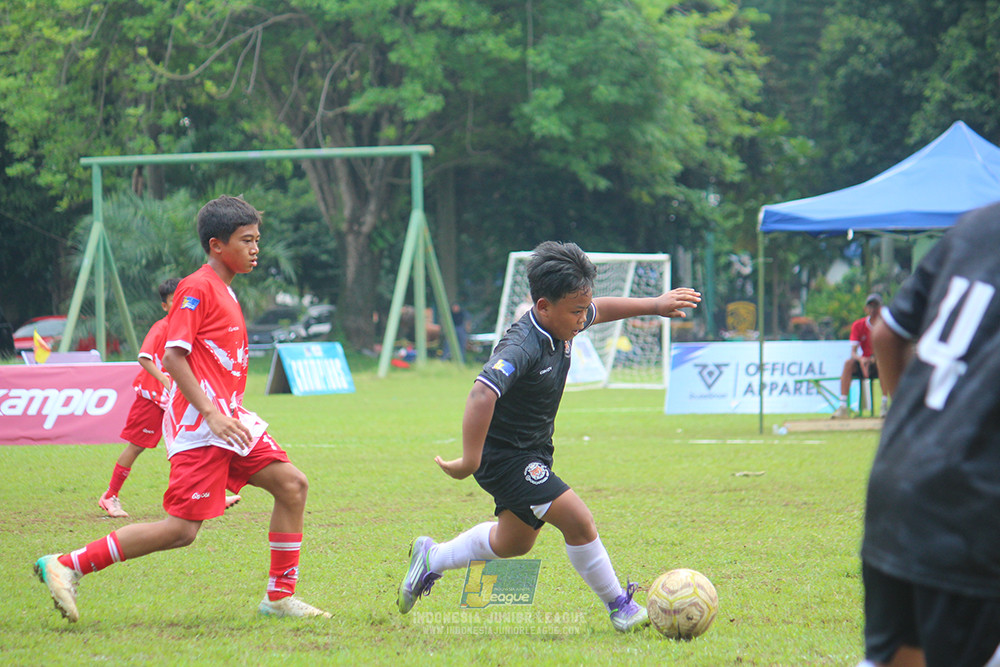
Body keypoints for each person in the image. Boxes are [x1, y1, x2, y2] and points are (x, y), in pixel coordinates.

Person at [34, 195, 329, 622]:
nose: (255, 248)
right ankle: (68, 563)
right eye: (246, 240)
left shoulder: (224, 290)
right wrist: (210, 412)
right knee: (180, 531)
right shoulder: (197, 288)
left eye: (257, 239)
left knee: (292, 486)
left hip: (230, 421)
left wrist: (222, 412)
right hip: (203, 425)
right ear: (216, 244)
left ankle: (278, 598)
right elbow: (173, 357)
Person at [396, 241, 700, 632]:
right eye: (576, 312)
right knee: (578, 520)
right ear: (542, 306)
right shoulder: (523, 344)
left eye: (582, 310)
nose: (582, 319)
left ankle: (431, 557)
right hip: (503, 456)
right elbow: (481, 392)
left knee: (515, 542)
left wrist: (654, 305)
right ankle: (620, 606)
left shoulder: (564, 317)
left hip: (534, 449)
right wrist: (469, 460)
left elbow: (601, 308)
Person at [858, 202, 1000, 667]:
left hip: (897, 486)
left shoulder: (979, 222)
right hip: (969, 511)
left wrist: (916, 434)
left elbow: (887, 336)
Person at [98, 278, 242, 518]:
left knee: (201, 443)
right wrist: (164, 380)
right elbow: (144, 357)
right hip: (153, 397)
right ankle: (110, 496)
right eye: (176, 301)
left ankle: (212, 495)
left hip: (179, 399)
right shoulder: (162, 327)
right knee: (137, 446)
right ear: (165, 306)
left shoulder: (190, 327)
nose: (183, 305)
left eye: (187, 300)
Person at [832, 293, 889, 418]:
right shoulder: (858, 325)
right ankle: (843, 406)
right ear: (866, 309)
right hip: (864, 362)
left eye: (876, 306)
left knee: (882, 363)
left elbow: (888, 349)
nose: (873, 309)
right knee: (848, 363)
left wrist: (873, 359)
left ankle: (884, 404)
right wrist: (862, 359)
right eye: (870, 306)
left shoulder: (886, 325)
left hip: (880, 363)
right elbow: (853, 351)